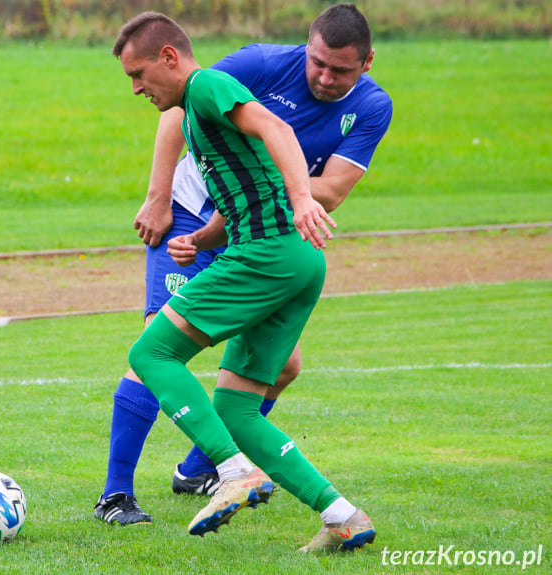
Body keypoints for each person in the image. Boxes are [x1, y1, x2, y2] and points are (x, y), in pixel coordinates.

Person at [94, 2, 392, 540]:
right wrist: (203, 236)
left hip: (267, 254)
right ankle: (343, 517)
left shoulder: (206, 86)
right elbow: (246, 183)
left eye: (138, 75)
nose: (136, 88)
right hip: (299, 259)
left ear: (168, 58)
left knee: (151, 352)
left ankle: (231, 472)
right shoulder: (203, 110)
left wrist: (302, 196)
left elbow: (274, 128)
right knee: (236, 406)